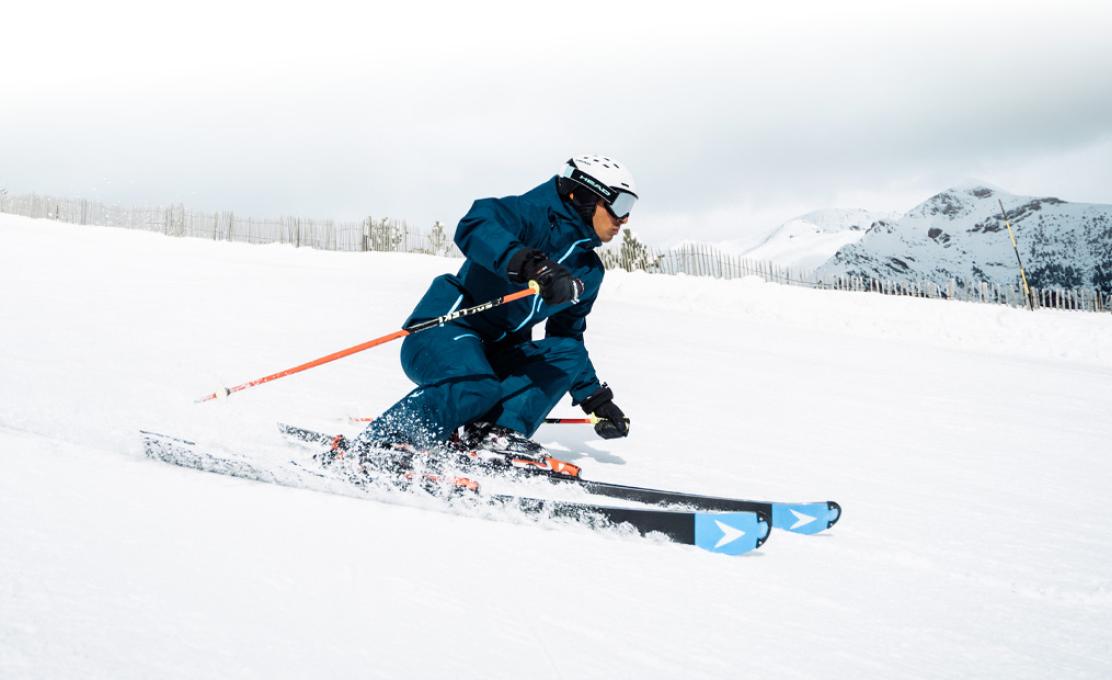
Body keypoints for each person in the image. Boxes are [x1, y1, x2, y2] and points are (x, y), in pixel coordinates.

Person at [356, 155, 636, 461]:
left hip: (497, 354)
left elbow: (566, 336)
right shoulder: (529, 215)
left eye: (630, 208)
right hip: (443, 330)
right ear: (584, 196)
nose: (624, 220)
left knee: (568, 353)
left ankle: (493, 434)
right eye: (620, 205)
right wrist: (532, 266)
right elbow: (475, 224)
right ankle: (388, 441)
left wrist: (595, 400)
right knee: (477, 387)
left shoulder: (588, 271)